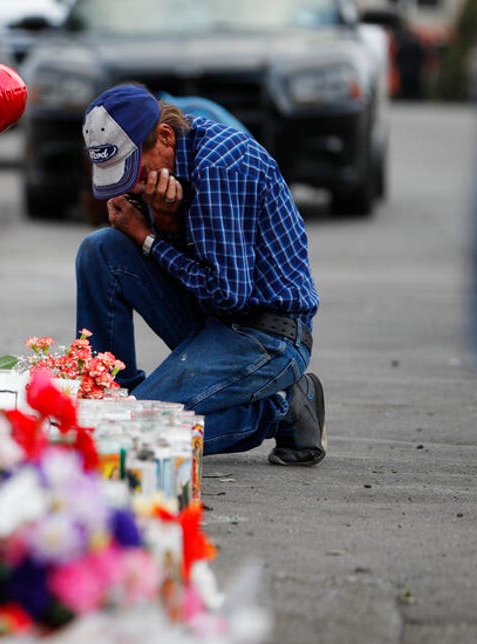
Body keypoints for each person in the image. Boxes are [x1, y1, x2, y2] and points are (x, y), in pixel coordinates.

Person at [74, 84, 325, 466]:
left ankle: (281, 406)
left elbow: (230, 294)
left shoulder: (220, 165)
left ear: (165, 136)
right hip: (215, 320)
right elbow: (206, 285)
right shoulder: (166, 166)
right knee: (101, 249)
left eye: (135, 172)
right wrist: (166, 222)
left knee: (128, 435)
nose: (133, 187)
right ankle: (111, 395)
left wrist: (149, 238)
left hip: (266, 335)